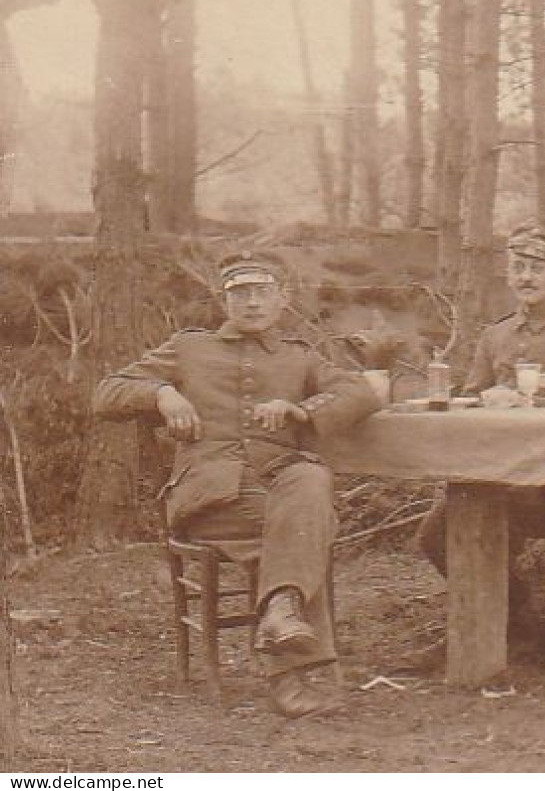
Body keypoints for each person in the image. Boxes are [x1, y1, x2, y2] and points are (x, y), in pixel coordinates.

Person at [93, 252, 379, 719]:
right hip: (208, 495)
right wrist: (161, 393)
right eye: (240, 293)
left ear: (282, 299)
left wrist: (300, 409)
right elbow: (107, 392)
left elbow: (360, 392)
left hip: (276, 490)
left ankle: (281, 614)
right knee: (307, 523)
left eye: (262, 292)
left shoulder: (298, 355)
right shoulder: (189, 348)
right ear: (223, 299)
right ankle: (287, 668)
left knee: (309, 479)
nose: (251, 303)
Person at [413, 224, 545, 652]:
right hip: (497, 472)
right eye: (518, 267)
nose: (525, 277)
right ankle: (517, 620)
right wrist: (485, 398)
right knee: (435, 534)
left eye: (537, 268)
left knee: (478, 518)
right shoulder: (496, 334)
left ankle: (503, 627)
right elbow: (470, 400)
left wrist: (530, 398)